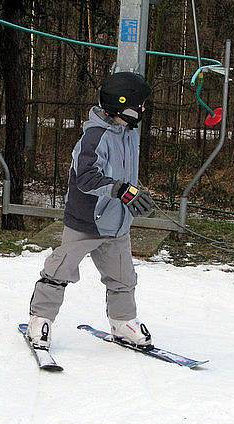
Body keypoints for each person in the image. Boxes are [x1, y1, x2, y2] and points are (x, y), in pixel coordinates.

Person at [27, 71, 155, 350]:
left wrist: (136, 193)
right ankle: (40, 319)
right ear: (123, 105)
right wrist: (123, 191)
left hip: (117, 223)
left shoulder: (129, 134)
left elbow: (123, 174)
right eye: (140, 105)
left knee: (123, 277)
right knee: (59, 270)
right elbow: (86, 178)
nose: (143, 110)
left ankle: (123, 322)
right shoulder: (95, 137)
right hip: (86, 221)